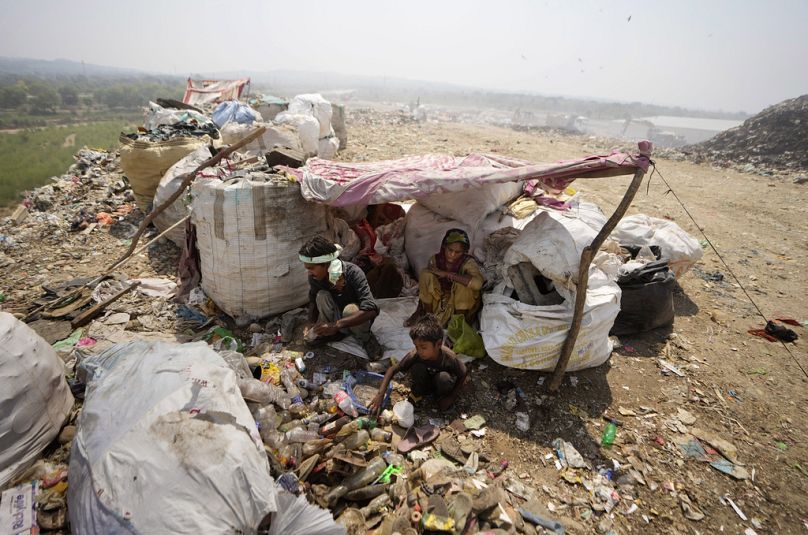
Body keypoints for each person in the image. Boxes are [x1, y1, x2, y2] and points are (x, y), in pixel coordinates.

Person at [369, 314, 469, 414]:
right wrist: (380, 394)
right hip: (424, 384)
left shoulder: (448, 357)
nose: (419, 351)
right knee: (417, 368)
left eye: (423, 347)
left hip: (440, 385)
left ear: (438, 344)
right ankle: (418, 395)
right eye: (417, 347)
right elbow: (393, 369)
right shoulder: (416, 354)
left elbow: (463, 373)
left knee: (443, 378)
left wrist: (451, 397)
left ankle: (440, 397)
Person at [299, 236, 379, 352]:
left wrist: (336, 325)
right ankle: (332, 334)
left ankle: (366, 339)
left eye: (311, 268)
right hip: (336, 320)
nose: (309, 273)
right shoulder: (316, 278)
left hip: (356, 321)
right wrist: (311, 324)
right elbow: (313, 301)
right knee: (321, 296)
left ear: (326, 264)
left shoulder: (354, 273)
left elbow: (371, 310)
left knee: (350, 309)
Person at [405, 228, 484, 328]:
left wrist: (447, 274)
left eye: (457, 252)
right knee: (425, 273)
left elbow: (478, 284)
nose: (452, 254)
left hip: (460, 305)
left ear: (464, 252)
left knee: (462, 285)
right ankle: (428, 317)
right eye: (450, 250)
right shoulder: (436, 260)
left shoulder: (468, 262)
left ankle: (459, 324)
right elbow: (426, 286)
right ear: (444, 247)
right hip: (441, 301)